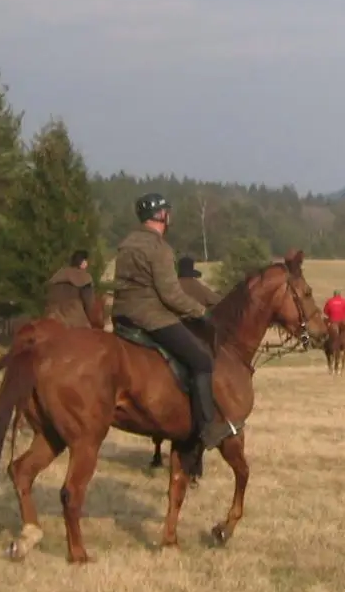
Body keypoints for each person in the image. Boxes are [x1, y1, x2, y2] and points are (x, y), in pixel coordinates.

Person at [112, 192, 236, 451]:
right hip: (151, 317)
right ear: (160, 215)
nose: (170, 216)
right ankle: (207, 427)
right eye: (167, 211)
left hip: (122, 317)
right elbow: (171, 295)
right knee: (201, 359)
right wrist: (202, 312)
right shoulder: (159, 248)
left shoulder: (125, 244)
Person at [44, 249, 98, 329]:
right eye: (86, 261)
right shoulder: (85, 277)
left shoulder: (59, 274)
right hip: (73, 315)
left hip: (52, 314)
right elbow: (89, 303)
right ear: (82, 262)